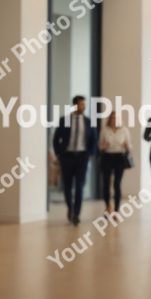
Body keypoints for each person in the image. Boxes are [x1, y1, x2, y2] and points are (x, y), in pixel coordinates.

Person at [53, 95, 97, 226]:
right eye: (82, 104)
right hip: (67, 157)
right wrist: (58, 154)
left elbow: (94, 139)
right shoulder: (64, 120)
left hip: (82, 157)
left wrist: (90, 154)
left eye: (85, 104)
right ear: (75, 105)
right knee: (67, 186)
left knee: (79, 186)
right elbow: (56, 139)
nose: (84, 107)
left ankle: (76, 214)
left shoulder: (89, 121)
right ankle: (70, 208)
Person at [99, 111, 132, 218]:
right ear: (110, 119)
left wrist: (127, 145)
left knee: (117, 184)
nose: (114, 120)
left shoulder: (124, 130)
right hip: (107, 157)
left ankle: (116, 211)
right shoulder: (105, 130)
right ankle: (108, 205)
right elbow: (100, 146)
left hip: (119, 157)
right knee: (106, 184)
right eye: (113, 118)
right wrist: (102, 146)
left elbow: (130, 147)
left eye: (116, 118)